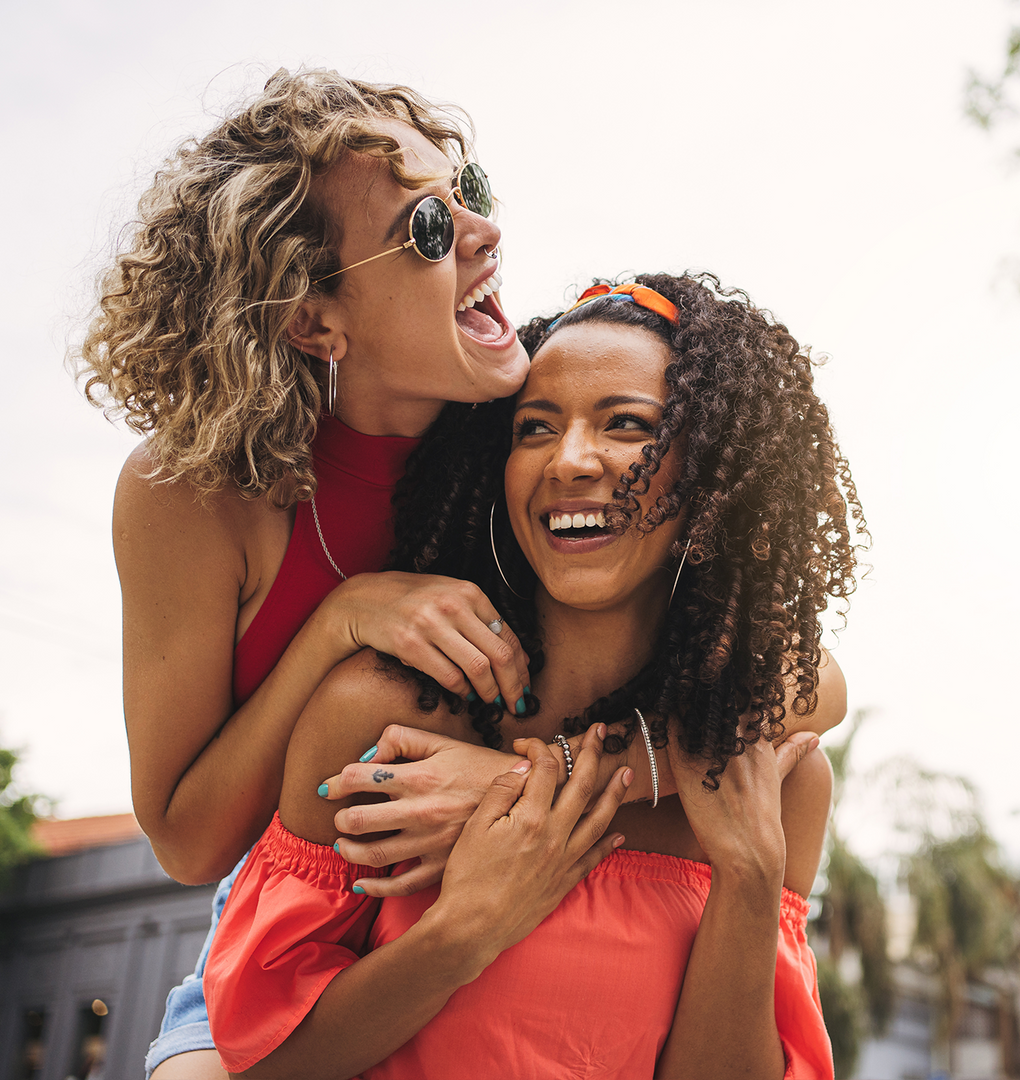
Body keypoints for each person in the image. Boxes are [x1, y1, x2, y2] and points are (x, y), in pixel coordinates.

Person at [203, 272, 865, 1079]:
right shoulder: (380, 720)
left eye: (628, 426)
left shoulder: (774, 774)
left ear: (714, 481)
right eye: (535, 428)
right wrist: (466, 931)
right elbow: (259, 1064)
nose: (571, 461)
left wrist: (752, 881)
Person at [76, 67, 560, 1080]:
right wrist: (339, 624)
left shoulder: (561, 428)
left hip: (528, 907)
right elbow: (188, 840)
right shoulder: (194, 495)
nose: (483, 234)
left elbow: (805, 689)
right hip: (285, 926)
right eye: (431, 230)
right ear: (314, 321)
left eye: (469, 192)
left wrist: (513, 786)